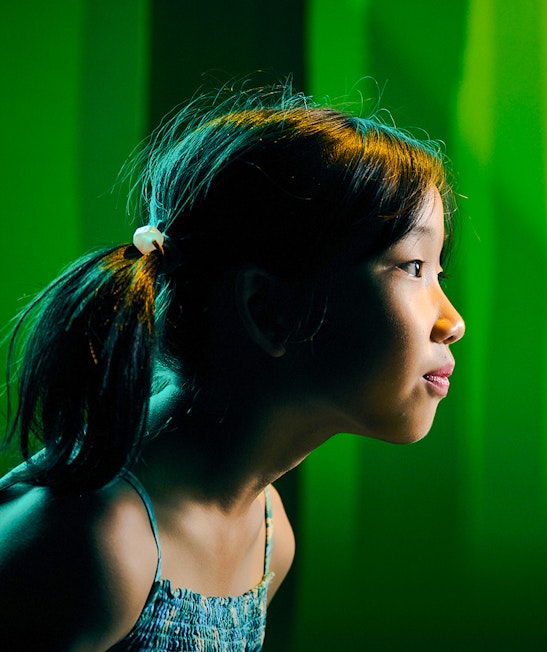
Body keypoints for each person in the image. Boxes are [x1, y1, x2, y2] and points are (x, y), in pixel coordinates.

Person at [0, 82, 465, 650]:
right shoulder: (96, 542)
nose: (453, 321)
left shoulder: (268, 532)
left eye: (437, 272)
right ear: (268, 310)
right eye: (414, 266)